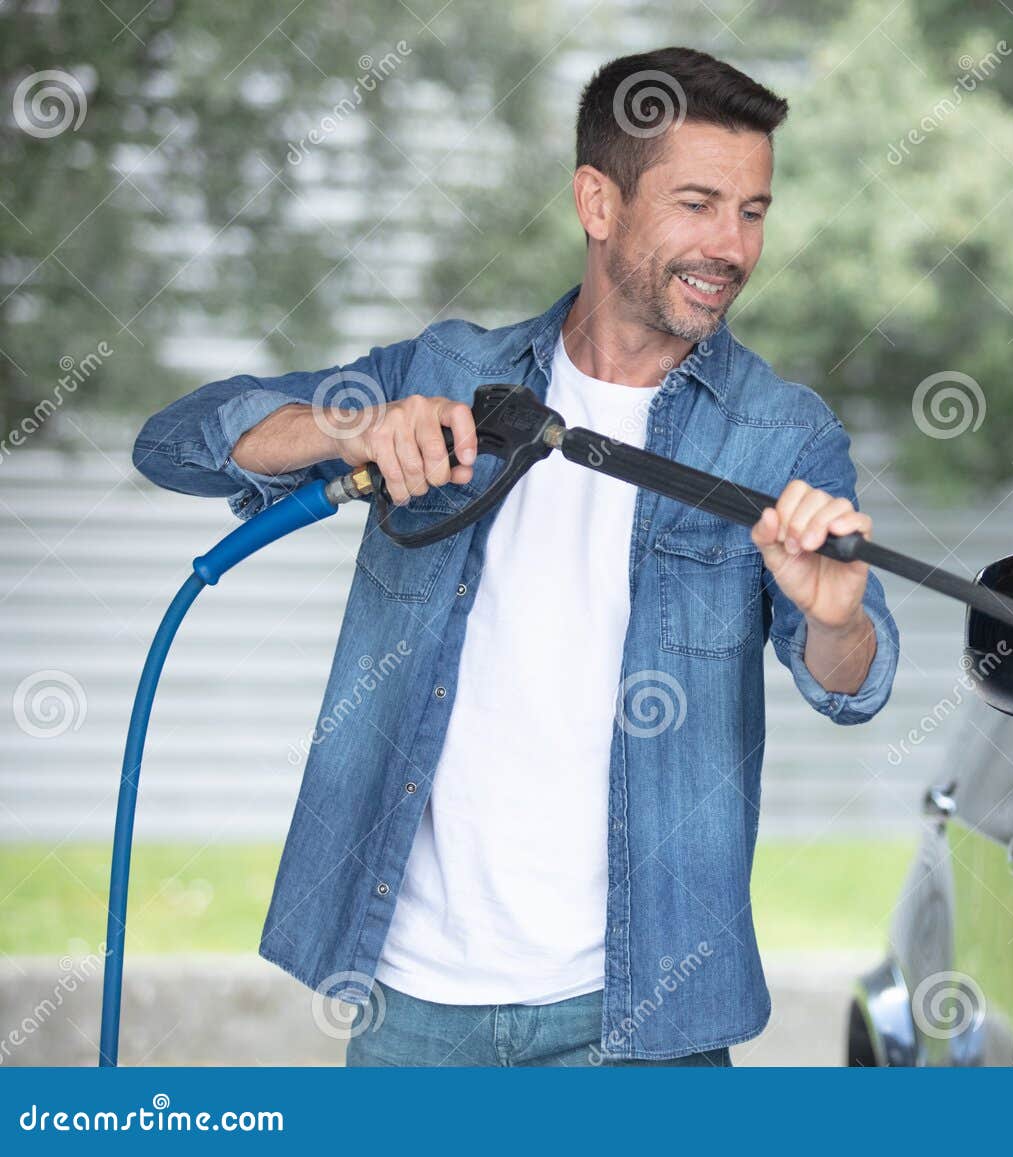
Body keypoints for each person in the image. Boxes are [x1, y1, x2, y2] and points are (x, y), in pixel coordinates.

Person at [131, 45, 900, 1066]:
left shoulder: (780, 434)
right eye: (699, 204)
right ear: (597, 200)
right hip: (412, 1007)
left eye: (752, 211)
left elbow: (856, 681)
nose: (732, 245)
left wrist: (835, 613)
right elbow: (178, 439)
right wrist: (346, 428)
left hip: (641, 1017)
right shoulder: (447, 371)